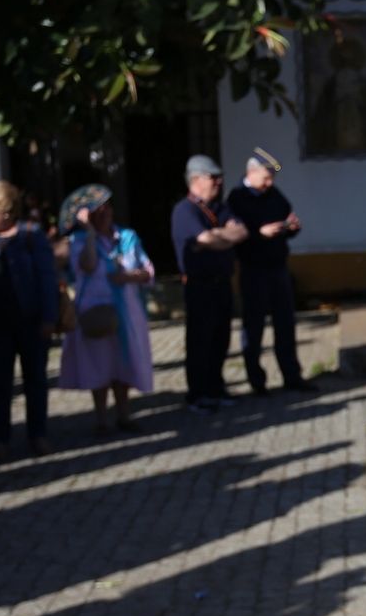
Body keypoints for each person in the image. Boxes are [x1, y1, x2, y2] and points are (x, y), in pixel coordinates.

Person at [58, 186, 156, 432]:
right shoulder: (79, 242)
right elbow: (87, 266)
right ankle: (101, 418)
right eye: (97, 212)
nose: (104, 214)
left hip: (127, 314)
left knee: (123, 363)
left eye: (107, 208)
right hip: (95, 312)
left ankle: (124, 414)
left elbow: (148, 271)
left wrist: (132, 277)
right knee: (98, 365)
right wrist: (90, 233)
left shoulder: (127, 237)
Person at [0, 181, 58, 455]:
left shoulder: (31, 237)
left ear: (6, 211)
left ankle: (38, 434)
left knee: (35, 380)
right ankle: (0, 437)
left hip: (30, 320)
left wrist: (49, 317)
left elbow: (47, 279)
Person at [225, 149, 313, 396]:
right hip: (253, 269)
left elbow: (286, 214)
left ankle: (292, 376)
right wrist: (258, 233)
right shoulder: (237, 198)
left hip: (278, 267)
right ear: (251, 172)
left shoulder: (274, 194)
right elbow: (235, 234)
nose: (269, 183)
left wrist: (292, 227)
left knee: (285, 324)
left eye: (272, 178)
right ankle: (257, 381)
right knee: (253, 327)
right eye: (265, 177)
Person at [170, 155, 247, 412]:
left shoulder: (220, 208)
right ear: (196, 179)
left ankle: (216, 388)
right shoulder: (185, 210)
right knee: (200, 340)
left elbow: (241, 232)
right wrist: (219, 237)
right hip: (199, 284)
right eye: (213, 177)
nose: (219, 182)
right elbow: (202, 238)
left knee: (220, 338)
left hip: (222, 282)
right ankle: (197, 394)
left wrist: (218, 237)